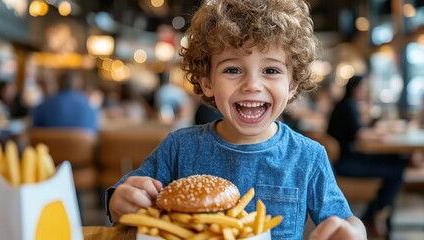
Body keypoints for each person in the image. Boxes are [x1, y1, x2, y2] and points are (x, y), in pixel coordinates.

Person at [106, 0, 366, 239]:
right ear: (207, 82)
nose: (252, 84)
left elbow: (345, 222)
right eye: (232, 69)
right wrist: (120, 201)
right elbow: (124, 200)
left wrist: (354, 232)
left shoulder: (308, 157)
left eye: (271, 70)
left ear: (293, 85)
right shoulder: (179, 147)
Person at [327, 75, 407, 237]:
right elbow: (359, 134)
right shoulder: (348, 106)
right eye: (364, 88)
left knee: (397, 160)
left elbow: (358, 130)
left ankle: (373, 213)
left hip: (346, 158)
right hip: (345, 162)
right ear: (356, 88)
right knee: (397, 168)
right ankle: (375, 212)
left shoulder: (346, 104)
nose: (366, 91)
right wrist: (379, 134)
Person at [31, 71, 99, 133]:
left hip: (50, 146)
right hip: (82, 146)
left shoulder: (42, 107)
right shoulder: (90, 108)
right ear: (79, 85)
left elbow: (34, 132)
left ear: (58, 84)